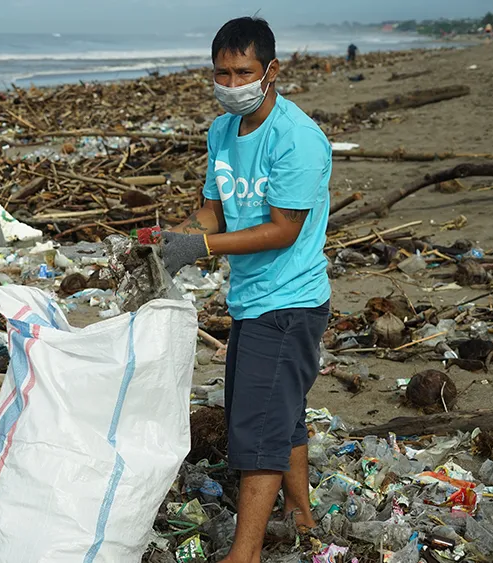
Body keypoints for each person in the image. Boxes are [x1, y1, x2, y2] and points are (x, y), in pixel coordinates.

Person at [158, 17, 331, 563]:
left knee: (255, 429)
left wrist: (203, 251)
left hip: (290, 301)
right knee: (283, 413)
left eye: (244, 73)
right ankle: (301, 517)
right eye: (223, 73)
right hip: (253, 301)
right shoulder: (221, 132)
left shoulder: (297, 138)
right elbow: (212, 212)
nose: (232, 84)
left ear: (271, 71)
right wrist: (172, 240)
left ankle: (245, 553)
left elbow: (285, 228)